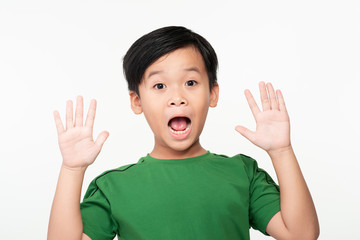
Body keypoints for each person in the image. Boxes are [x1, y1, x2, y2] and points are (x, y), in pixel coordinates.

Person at [48, 26, 319, 240]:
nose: (177, 98)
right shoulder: (112, 187)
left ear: (212, 93)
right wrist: (72, 170)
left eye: (191, 82)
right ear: (136, 101)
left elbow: (301, 234)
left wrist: (281, 152)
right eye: (159, 86)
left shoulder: (243, 173)